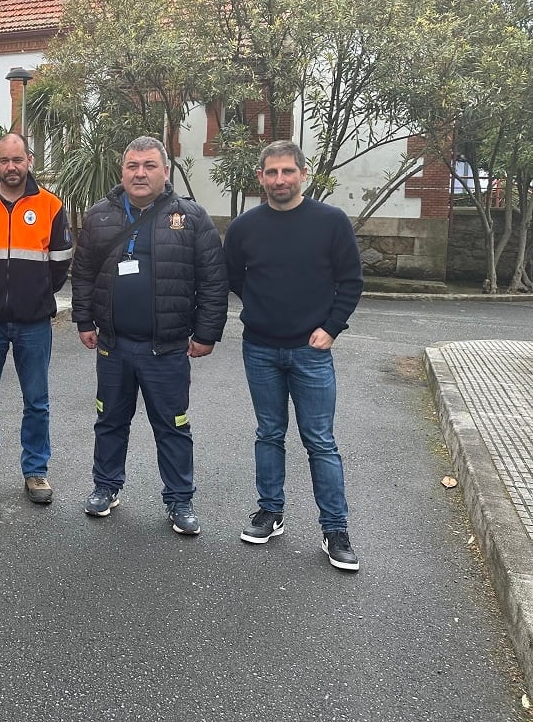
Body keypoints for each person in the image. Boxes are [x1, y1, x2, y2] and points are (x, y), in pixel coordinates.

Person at [72, 136, 227, 534]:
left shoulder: (191, 218)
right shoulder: (99, 217)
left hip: (167, 348)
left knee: (173, 426)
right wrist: (84, 321)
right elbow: (84, 274)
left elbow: (213, 281)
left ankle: (179, 500)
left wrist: (207, 333)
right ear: (122, 172)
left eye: (149, 166)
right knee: (109, 421)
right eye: (132, 166)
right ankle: (105, 487)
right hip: (114, 346)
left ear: (165, 172)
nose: (140, 173)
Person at [223, 139, 364, 571]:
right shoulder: (245, 227)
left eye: (287, 171)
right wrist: (265, 309)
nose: (279, 180)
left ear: (303, 173)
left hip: (311, 351)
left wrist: (331, 327)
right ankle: (270, 512)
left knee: (320, 441)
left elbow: (351, 281)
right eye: (271, 172)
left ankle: (335, 530)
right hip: (260, 348)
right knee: (269, 433)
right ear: (260, 177)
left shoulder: (330, 222)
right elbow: (234, 278)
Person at [0, 133, 71, 505]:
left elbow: (59, 265)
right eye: (5, 160)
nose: (12, 167)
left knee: (36, 400)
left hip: (33, 322)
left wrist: (34, 295)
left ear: (30, 161)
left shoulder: (51, 206)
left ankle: (36, 470)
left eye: (18, 160)